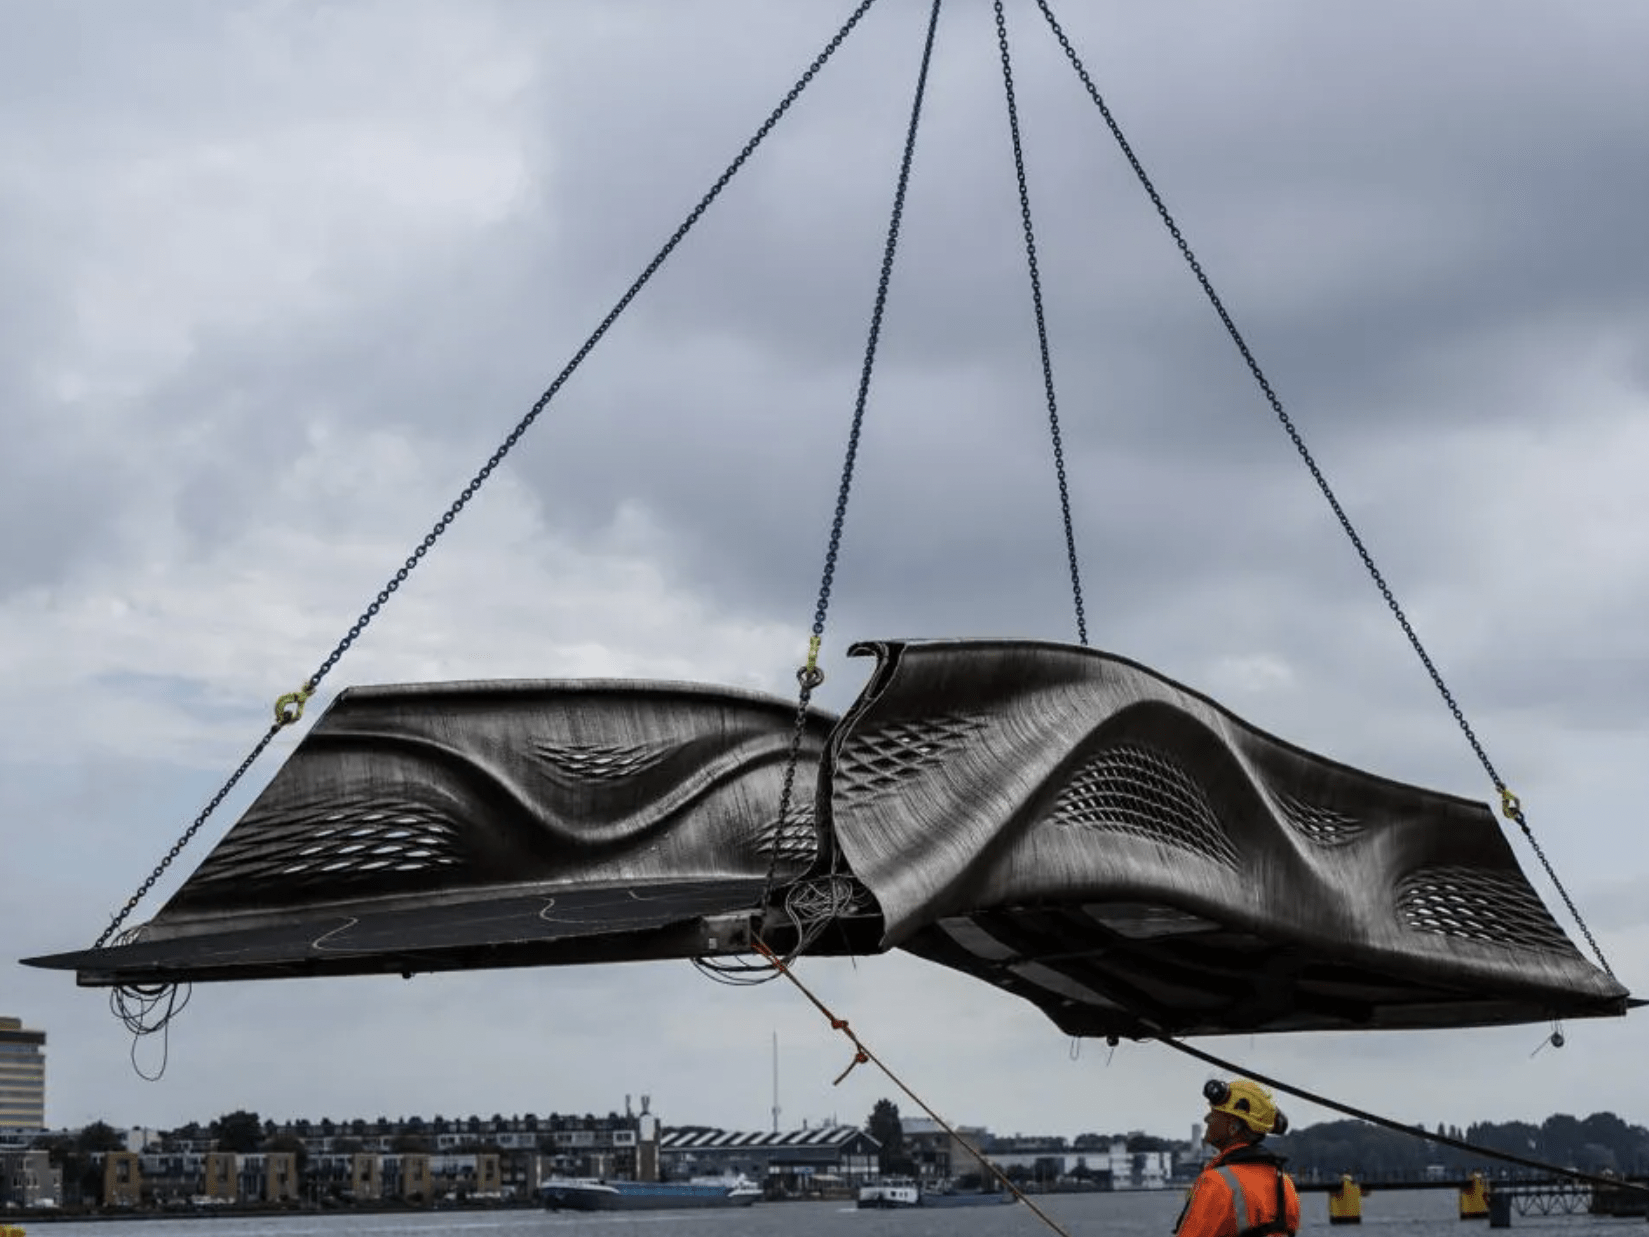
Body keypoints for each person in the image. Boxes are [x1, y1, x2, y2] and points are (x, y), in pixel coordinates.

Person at [1173, 1078, 1301, 1237]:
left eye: (1215, 1113)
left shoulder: (1217, 1182)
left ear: (1233, 1127)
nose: (1207, 1118)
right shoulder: (1285, 1183)